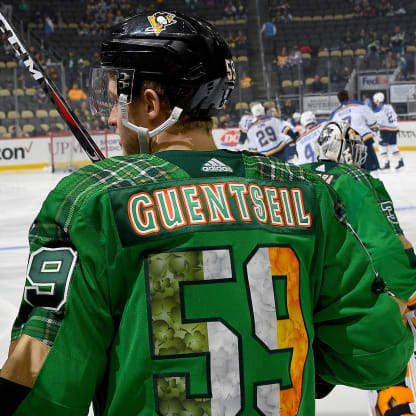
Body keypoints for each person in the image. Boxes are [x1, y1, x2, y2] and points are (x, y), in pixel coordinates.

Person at [1, 11, 413, 416]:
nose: (110, 119)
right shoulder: (306, 195)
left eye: (114, 102)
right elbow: (380, 354)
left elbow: (43, 386)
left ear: (150, 104)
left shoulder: (91, 202)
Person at [302, 120, 416, 415]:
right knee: (390, 359)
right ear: (346, 151)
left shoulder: (299, 175)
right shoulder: (357, 177)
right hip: (351, 302)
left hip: (302, 301)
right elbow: (391, 246)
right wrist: (403, 291)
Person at [330, 90, 380, 171]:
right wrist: (372, 127)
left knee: (358, 173)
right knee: (373, 170)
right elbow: (372, 121)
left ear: (339, 100)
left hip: (348, 147)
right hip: (364, 140)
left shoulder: (335, 114)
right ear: (349, 96)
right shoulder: (359, 105)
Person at [373, 91, 404, 170]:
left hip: (386, 130)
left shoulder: (378, 109)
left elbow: (378, 120)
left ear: (377, 100)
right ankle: (400, 161)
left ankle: (386, 163)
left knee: (381, 146)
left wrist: (375, 126)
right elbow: (395, 116)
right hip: (394, 128)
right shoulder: (389, 106)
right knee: (392, 146)